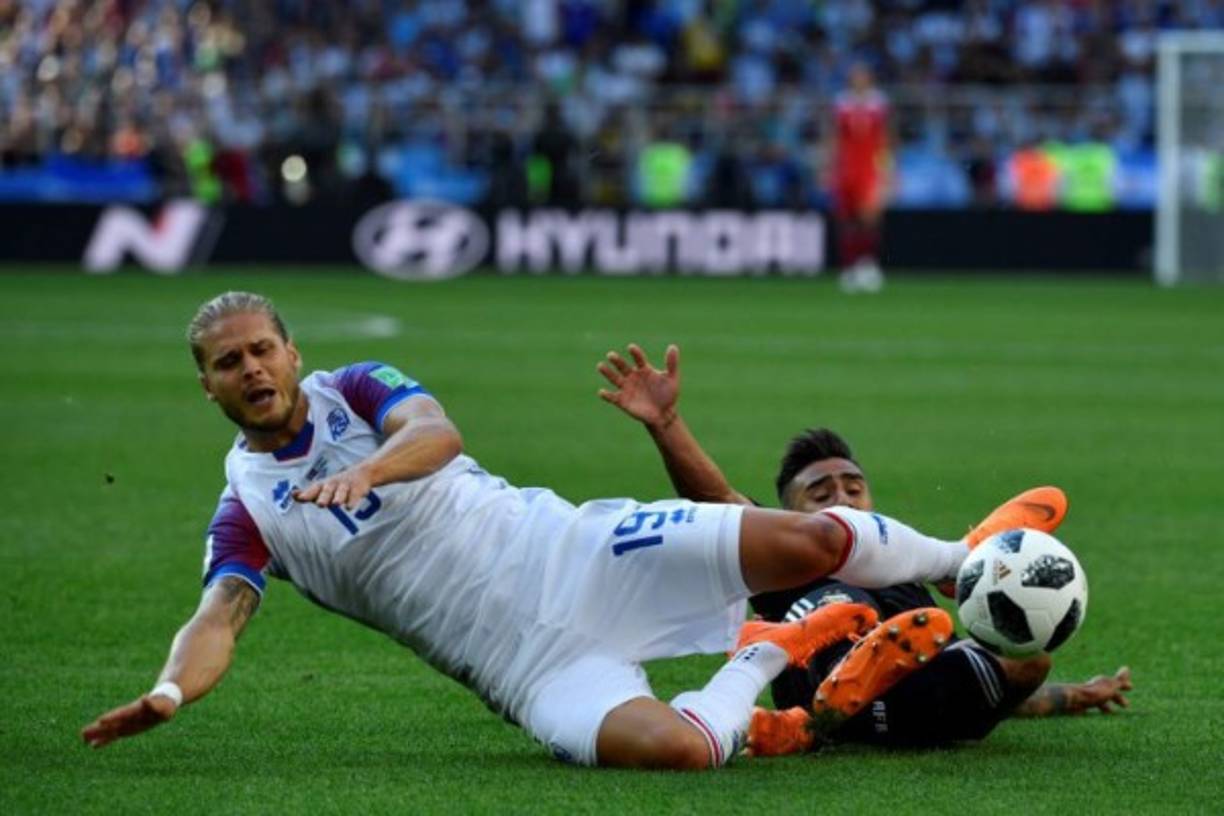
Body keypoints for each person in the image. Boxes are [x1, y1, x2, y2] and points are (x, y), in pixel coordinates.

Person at [82, 291, 1011, 770]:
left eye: (259, 350)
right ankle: (769, 651)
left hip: (577, 551)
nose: (249, 368)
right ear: (204, 384)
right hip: (522, 668)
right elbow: (219, 616)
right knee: (679, 755)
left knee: (811, 541)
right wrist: (167, 692)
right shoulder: (247, 506)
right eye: (224, 362)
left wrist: (364, 470)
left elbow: (439, 436)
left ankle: (969, 560)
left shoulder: (356, 390)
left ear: (292, 353)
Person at [596, 342, 1132, 754]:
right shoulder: (786, 557)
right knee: (840, 611)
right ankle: (841, 686)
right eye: (821, 492)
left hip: (911, 701)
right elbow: (712, 497)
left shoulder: (906, 573)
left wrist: (1076, 694)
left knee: (1026, 659)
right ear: (788, 513)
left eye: (853, 485)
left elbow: (969, 685)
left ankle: (838, 710)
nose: (843, 496)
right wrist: (666, 425)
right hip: (820, 672)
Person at [828, 62, 891, 294]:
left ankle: (868, 265)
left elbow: (886, 140)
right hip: (847, 167)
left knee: (869, 218)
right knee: (846, 220)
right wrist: (828, 167)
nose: (859, 80)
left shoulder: (879, 104)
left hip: (870, 168)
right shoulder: (841, 103)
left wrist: (889, 172)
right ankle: (848, 268)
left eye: (862, 76)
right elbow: (834, 138)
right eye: (855, 76)